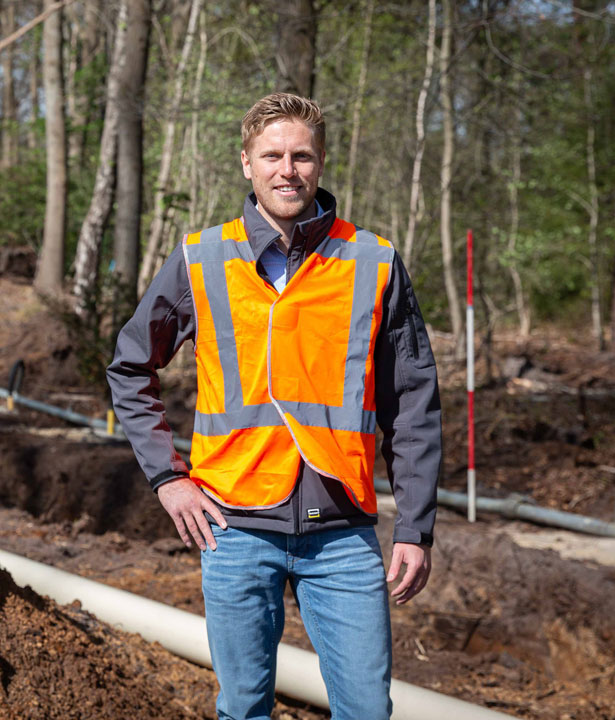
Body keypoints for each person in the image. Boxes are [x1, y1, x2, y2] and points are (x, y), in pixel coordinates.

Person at [107, 92, 441, 720]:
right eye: (272, 155)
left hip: (343, 530)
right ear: (246, 163)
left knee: (368, 710)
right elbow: (129, 366)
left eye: (302, 155)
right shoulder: (200, 258)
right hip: (232, 525)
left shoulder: (373, 261)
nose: (287, 169)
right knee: (243, 708)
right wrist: (168, 480)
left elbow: (414, 403)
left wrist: (416, 526)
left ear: (320, 164)